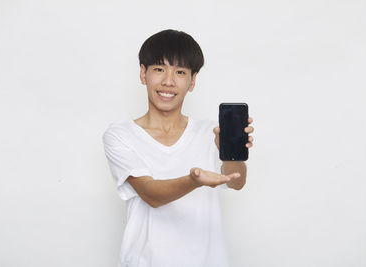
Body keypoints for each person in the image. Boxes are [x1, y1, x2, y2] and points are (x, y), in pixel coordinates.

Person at [102, 29, 254, 267]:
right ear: (143, 74)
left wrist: (231, 152)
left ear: (192, 81)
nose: (169, 81)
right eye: (159, 69)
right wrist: (193, 180)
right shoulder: (121, 136)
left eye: (180, 72)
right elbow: (151, 193)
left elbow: (236, 181)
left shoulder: (211, 132)